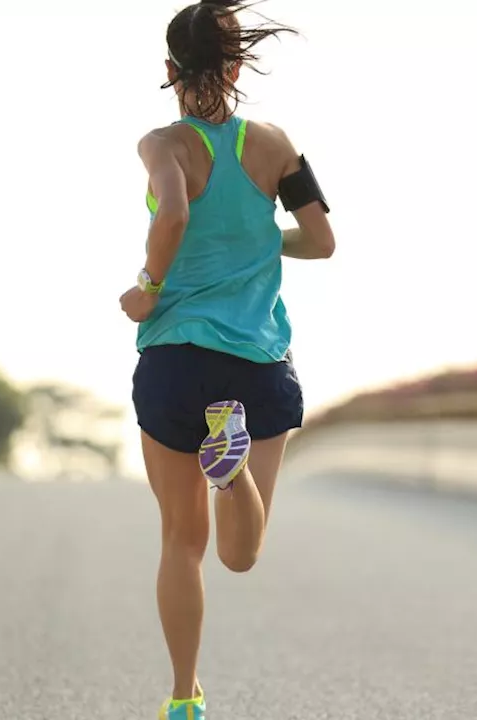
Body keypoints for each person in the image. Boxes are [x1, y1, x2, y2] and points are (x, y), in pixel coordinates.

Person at [118, 2, 334, 717]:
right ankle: (232, 469)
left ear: (170, 71)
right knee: (243, 550)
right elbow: (322, 239)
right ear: (239, 67)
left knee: (182, 541)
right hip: (258, 362)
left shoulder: (163, 144)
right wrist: (261, 243)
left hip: (178, 358)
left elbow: (173, 214)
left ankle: (184, 699)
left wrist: (149, 288)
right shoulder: (274, 145)